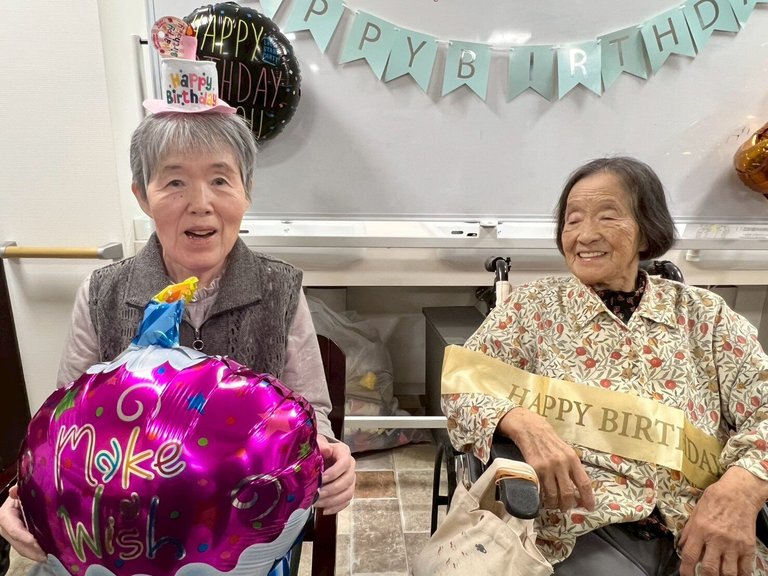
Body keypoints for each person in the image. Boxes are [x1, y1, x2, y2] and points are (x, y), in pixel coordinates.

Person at [0, 107, 356, 569]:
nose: (200, 203)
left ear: (247, 191)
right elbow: (64, 431)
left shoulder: (280, 289)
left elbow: (313, 414)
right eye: (174, 182)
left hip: (241, 545)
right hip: (123, 543)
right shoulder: (103, 293)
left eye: (221, 180)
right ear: (142, 196)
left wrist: (330, 455)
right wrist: (25, 494)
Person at [442, 157, 768, 576]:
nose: (585, 235)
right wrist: (521, 422)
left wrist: (742, 489)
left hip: (707, 521)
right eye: (573, 220)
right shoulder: (532, 309)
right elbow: (463, 387)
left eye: (608, 216)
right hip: (584, 528)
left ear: (646, 230)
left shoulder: (705, 315)